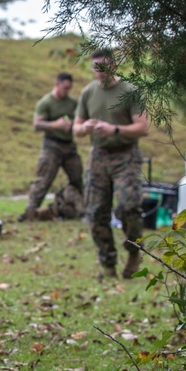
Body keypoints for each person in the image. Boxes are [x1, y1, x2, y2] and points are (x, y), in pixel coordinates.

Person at [73, 48, 150, 280]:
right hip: (98, 156)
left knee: (127, 207)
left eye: (103, 66)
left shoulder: (129, 90)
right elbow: (76, 128)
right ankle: (108, 264)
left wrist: (114, 129)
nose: (99, 71)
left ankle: (134, 254)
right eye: (95, 67)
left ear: (113, 66)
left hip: (125, 155)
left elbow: (143, 128)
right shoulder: (88, 93)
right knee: (95, 212)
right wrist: (85, 127)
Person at [19, 72, 83, 221]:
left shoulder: (72, 103)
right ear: (57, 85)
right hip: (52, 145)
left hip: (69, 146)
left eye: (69, 88)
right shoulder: (46, 102)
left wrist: (72, 125)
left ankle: (81, 209)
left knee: (77, 178)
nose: (67, 91)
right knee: (43, 180)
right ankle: (30, 210)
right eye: (65, 88)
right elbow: (37, 124)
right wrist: (55, 125)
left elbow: (80, 119)